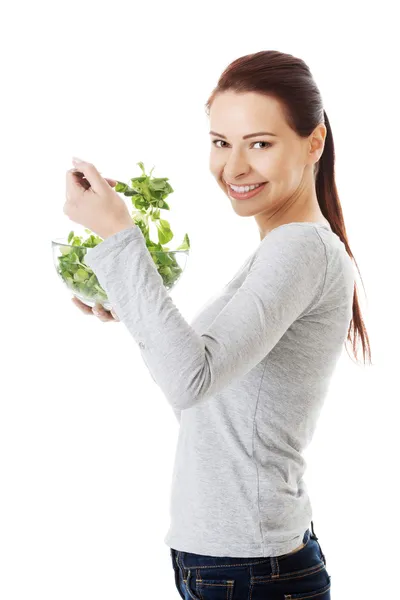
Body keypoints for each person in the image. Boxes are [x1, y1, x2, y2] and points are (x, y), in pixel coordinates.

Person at [74, 50, 372, 599]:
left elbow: (191, 380)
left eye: (259, 143)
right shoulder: (283, 249)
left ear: (314, 142)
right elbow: (200, 392)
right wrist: (132, 305)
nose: (234, 167)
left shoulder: (301, 249)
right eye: (220, 142)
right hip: (234, 559)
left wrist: (120, 237)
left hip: (250, 566)